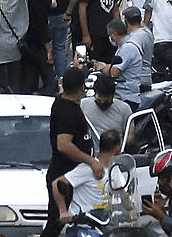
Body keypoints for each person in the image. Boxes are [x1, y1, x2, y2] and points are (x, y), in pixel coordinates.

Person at [44, 69, 103, 237]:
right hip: (65, 176)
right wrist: (91, 161)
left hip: (75, 176)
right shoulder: (66, 112)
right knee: (56, 224)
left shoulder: (63, 102)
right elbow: (63, 145)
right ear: (81, 88)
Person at [53, 129, 124, 227]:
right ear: (117, 148)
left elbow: (122, 191)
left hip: (104, 224)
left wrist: (129, 210)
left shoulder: (115, 169)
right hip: (82, 225)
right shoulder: (87, 168)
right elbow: (56, 183)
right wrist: (63, 212)